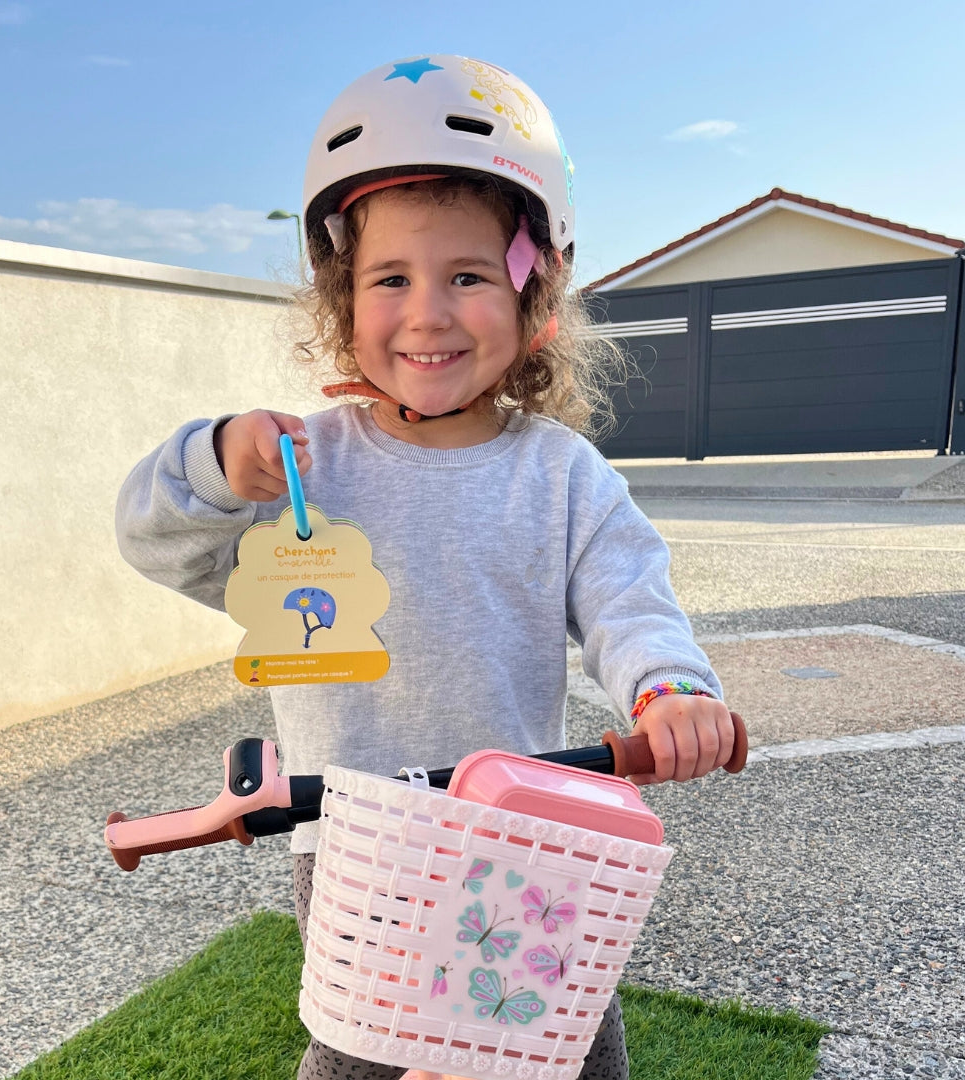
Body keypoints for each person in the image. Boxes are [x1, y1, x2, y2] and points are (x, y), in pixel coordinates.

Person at [116, 54, 734, 1080]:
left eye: (468, 276)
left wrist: (670, 691)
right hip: (358, 851)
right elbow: (156, 539)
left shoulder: (560, 473)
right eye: (391, 279)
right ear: (342, 299)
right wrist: (217, 460)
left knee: (564, 1049)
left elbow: (631, 599)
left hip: (531, 838)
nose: (429, 313)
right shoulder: (300, 467)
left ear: (536, 292)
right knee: (365, 1054)